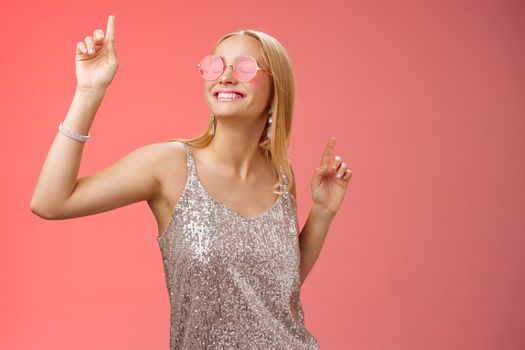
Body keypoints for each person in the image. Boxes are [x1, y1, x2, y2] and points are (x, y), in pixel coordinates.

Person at [30, 15, 352, 349]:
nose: (225, 77)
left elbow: (277, 290)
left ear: (275, 88)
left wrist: (323, 212)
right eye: (215, 66)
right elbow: (50, 202)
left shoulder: (279, 174)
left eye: (244, 68)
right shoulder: (169, 165)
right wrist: (88, 91)